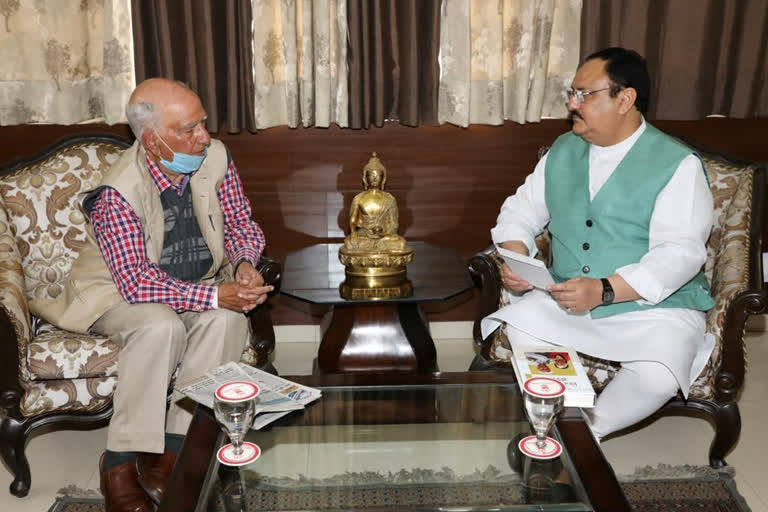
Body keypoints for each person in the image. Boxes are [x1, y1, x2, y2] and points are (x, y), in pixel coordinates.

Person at [43, 78, 273, 512]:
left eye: (203, 123)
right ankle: (120, 461)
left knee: (230, 320)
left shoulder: (216, 157)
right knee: (158, 325)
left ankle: (175, 452)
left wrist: (243, 264)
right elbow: (136, 282)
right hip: (115, 293)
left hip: (196, 281)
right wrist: (214, 297)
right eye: (188, 130)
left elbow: (242, 223)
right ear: (153, 142)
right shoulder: (118, 192)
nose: (203, 137)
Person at [481, 47, 715, 443]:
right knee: (523, 333)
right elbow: (519, 212)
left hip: (651, 307)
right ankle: (558, 418)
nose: (573, 104)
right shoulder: (562, 151)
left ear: (625, 99)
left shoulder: (678, 164)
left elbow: (680, 253)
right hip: (569, 298)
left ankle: (584, 435)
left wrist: (605, 290)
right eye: (571, 93)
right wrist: (518, 259)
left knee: (659, 374)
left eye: (585, 94)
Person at [342, 153, 409, 253]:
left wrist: (382, 232)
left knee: (400, 243)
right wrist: (353, 232)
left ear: (383, 178)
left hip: (384, 237)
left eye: (378, 175)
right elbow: (353, 220)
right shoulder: (359, 198)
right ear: (365, 178)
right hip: (364, 236)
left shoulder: (390, 199)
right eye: (371, 175)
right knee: (350, 243)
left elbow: (394, 224)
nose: (374, 178)